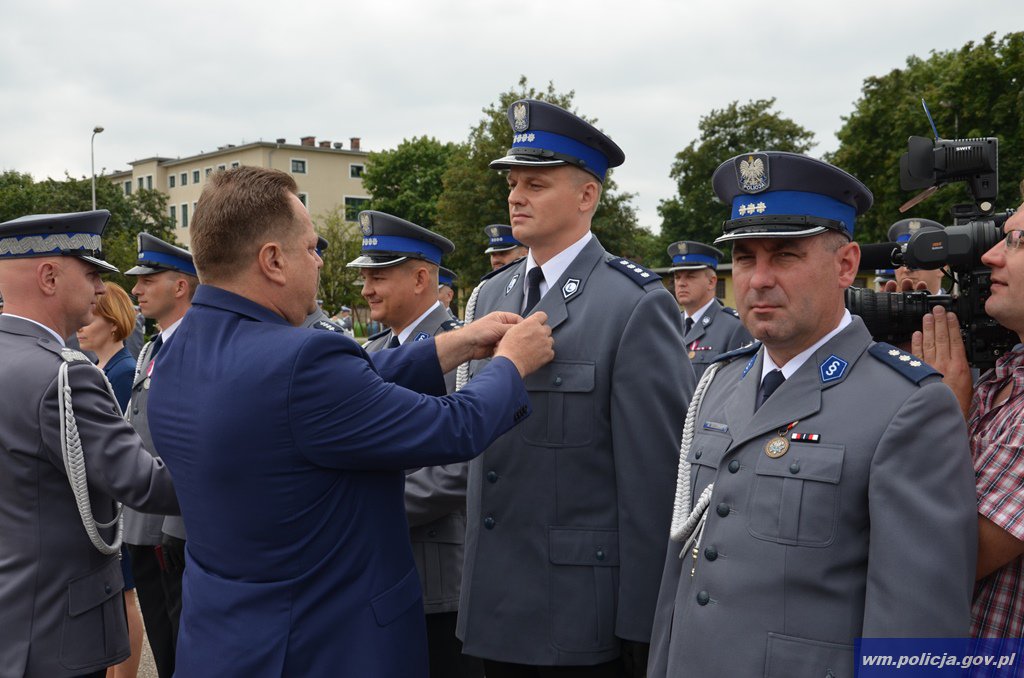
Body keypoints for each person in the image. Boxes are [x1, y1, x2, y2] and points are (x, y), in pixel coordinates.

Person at [146, 166, 554, 677]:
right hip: (324, 648)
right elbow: (455, 426)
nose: (319, 261)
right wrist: (512, 363)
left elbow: (324, 395)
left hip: (221, 644)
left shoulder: (176, 354)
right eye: (310, 248)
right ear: (272, 260)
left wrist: (453, 344)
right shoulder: (302, 363)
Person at [647, 151, 978, 677]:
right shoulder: (717, 382)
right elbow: (682, 575)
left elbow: (917, 631)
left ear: (845, 265)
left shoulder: (909, 405)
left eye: (785, 256)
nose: (758, 279)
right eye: (745, 258)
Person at [456, 99, 694, 677]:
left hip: (577, 615)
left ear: (587, 196)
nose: (516, 197)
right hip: (493, 604)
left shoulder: (633, 305)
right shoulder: (491, 296)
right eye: (513, 183)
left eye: (535, 184)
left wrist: (642, 625)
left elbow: (654, 482)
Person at [0, 210, 179, 678]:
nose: (101, 289)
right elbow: (144, 484)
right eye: (92, 274)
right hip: (57, 627)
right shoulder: (65, 376)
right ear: (49, 276)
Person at [350, 212, 483, 678]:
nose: (366, 290)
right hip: (374, 572)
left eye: (378, 277)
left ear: (421, 278)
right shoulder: (371, 353)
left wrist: (364, 504)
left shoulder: (465, 348)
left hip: (437, 577)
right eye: (365, 278)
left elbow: (464, 467)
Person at [913, 195, 1024, 638]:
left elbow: (942, 563)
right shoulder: (1006, 374)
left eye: (1017, 241)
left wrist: (941, 415)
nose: (990, 256)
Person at [121, 232, 197, 678]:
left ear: (181, 285)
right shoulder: (153, 346)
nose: (136, 289)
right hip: (144, 520)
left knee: (183, 644)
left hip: (177, 521)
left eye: (148, 280)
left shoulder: (199, 345)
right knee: (163, 640)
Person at [76, 281, 146, 678]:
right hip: (107, 503)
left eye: (93, 318)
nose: (82, 325)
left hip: (119, 504)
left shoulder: (121, 372)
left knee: (125, 597)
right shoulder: (102, 368)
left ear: (115, 323)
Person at [667, 240, 752, 379]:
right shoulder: (670, 325)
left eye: (690, 276)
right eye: (677, 277)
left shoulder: (734, 327)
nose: (681, 283)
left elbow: (737, 385)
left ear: (711, 282)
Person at [883, 217, 947, 293]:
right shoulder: (886, 300)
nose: (906, 269)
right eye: (901, 259)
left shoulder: (957, 301)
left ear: (943, 267)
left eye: (917, 259)